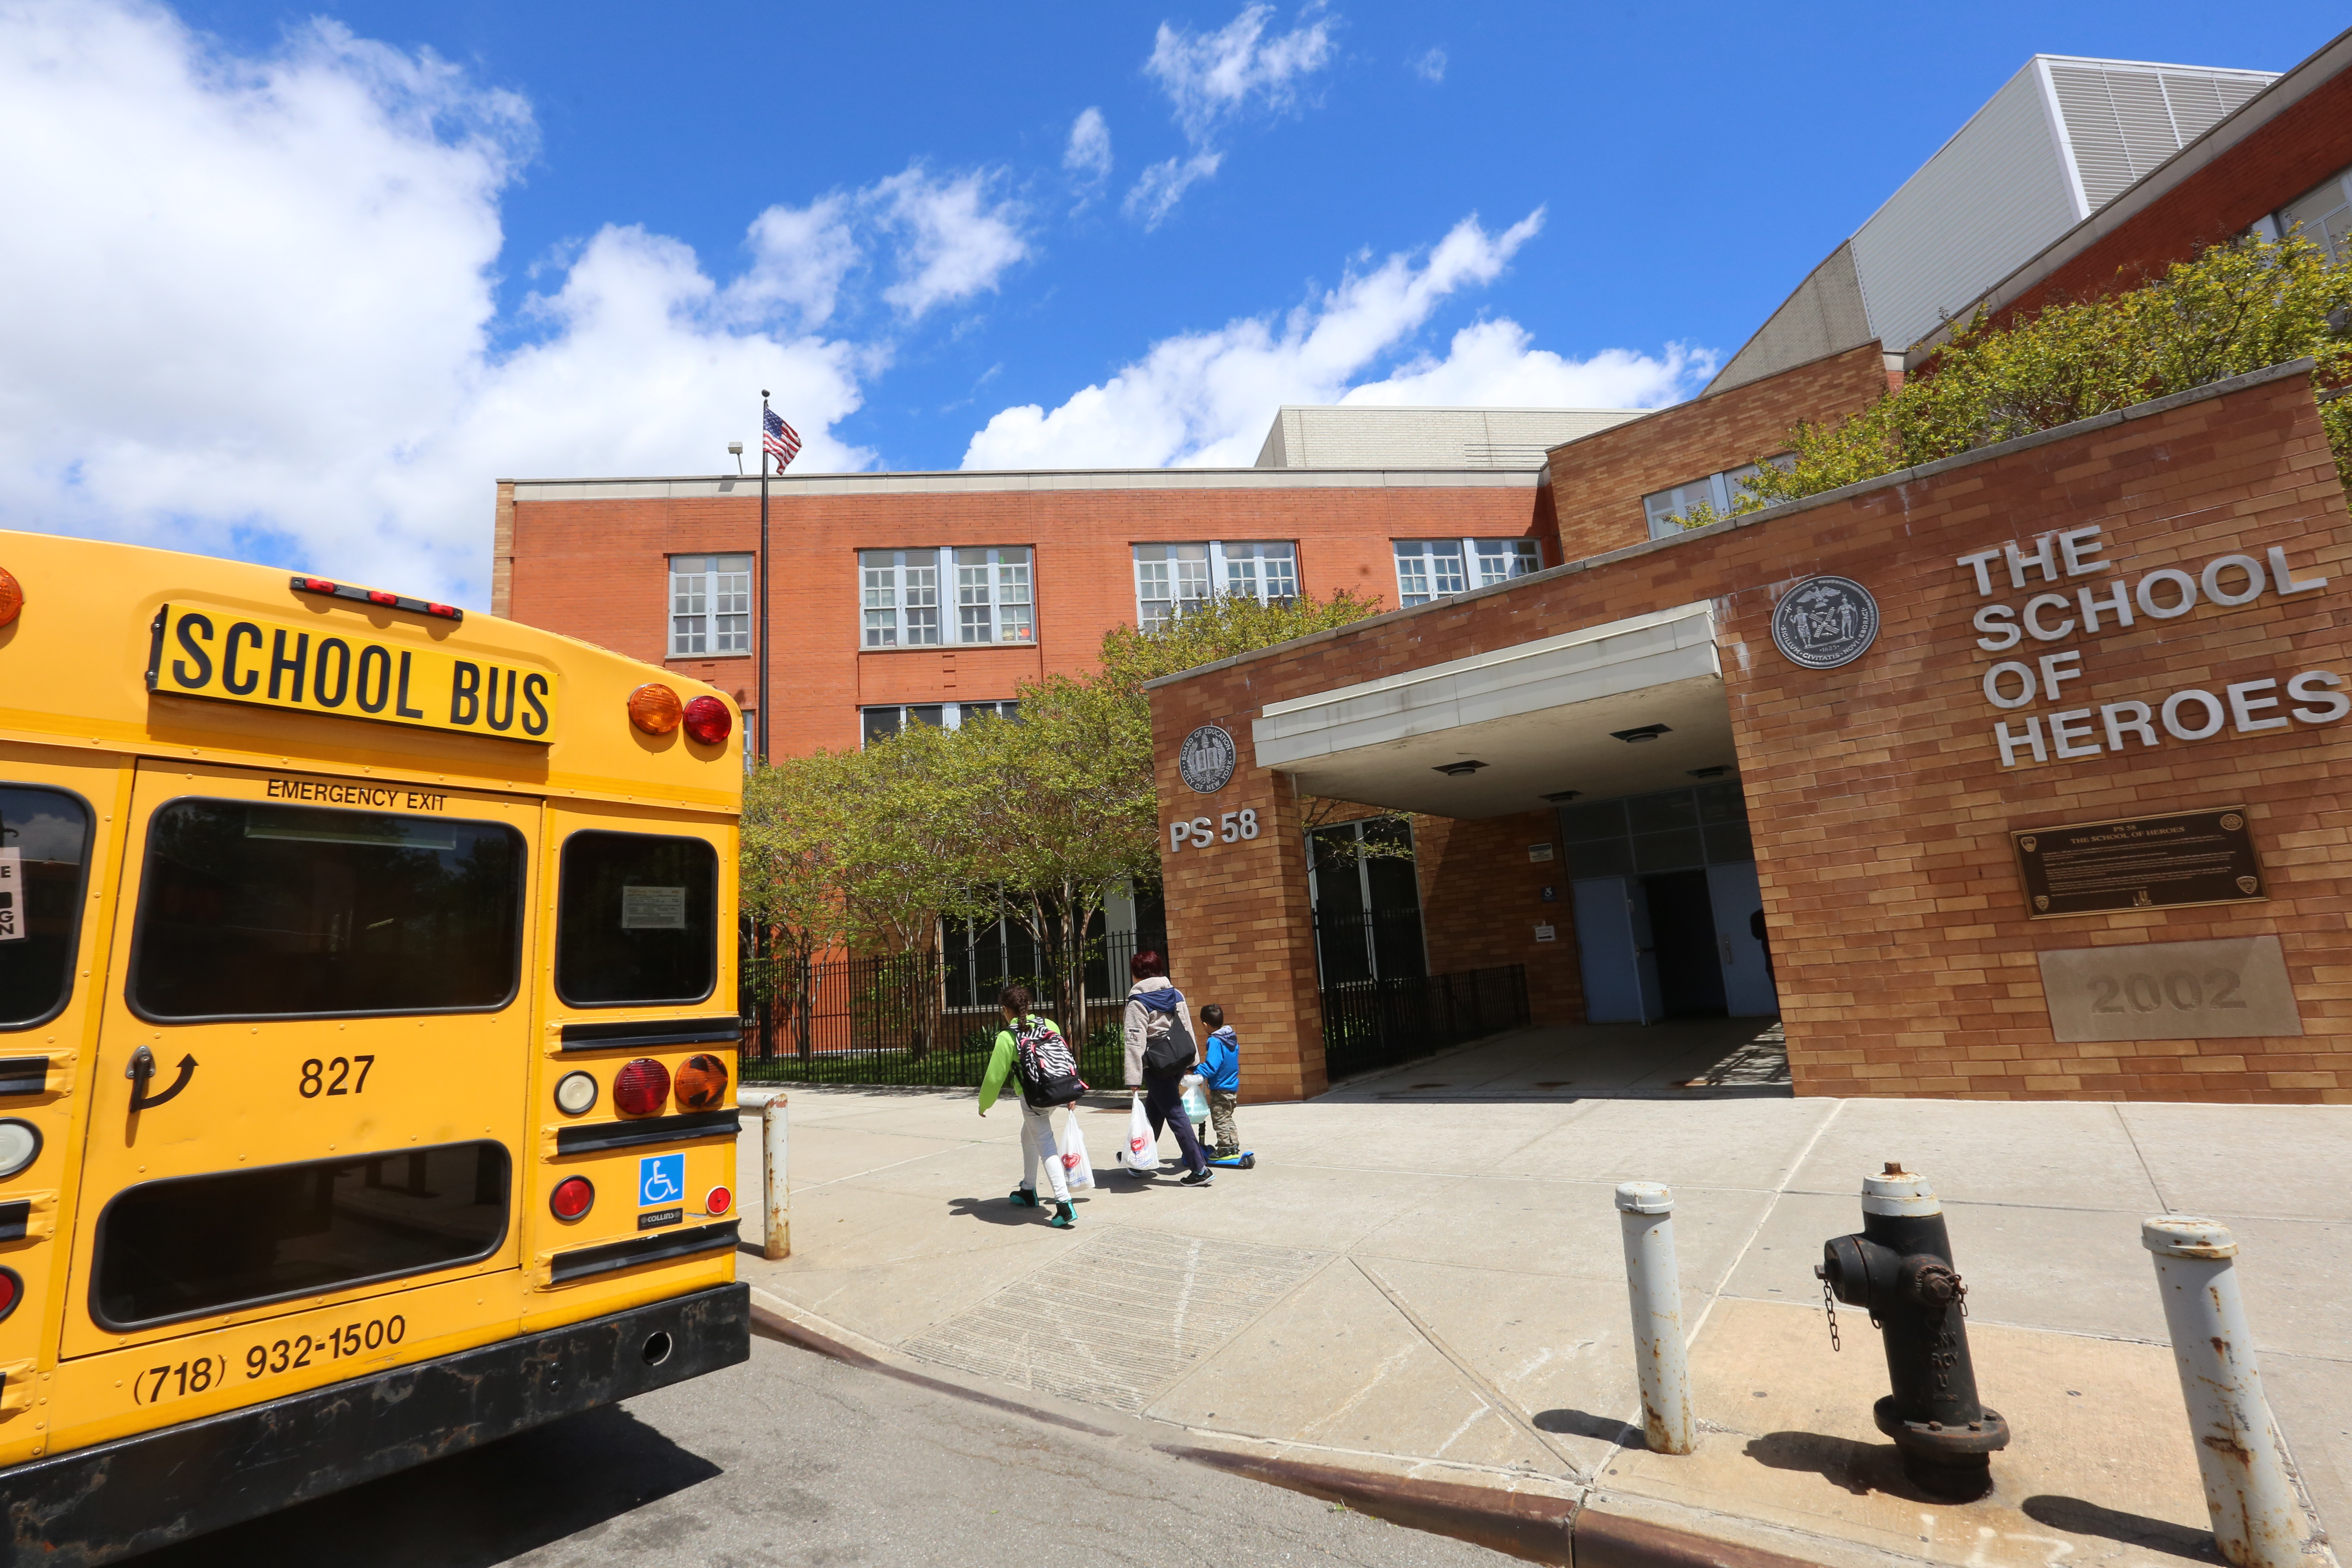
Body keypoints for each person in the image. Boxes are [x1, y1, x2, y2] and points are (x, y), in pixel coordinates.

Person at [978, 983, 1077, 1228]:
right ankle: (1028, 1190)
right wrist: (1070, 1092)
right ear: (1028, 1006)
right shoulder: (1049, 1025)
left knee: (1045, 1143)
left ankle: (1064, 1204)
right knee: (1028, 1135)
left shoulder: (1007, 1037)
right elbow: (1064, 1057)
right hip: (1057, 1093)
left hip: (1034, 1098)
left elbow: (994, 1077)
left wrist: (984, 1104)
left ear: (1005, 1010)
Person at [1122, 950, 1211, 1186]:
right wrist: (1193, 1062)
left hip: (1156, 1065)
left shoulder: (1138, 1002)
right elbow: (1187, 1028)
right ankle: (1138, 1158)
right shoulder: (1176, 994)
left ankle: (1199, 1167)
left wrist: (1133, 1079)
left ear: (1137, 974)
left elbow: (1134, 1042)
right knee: (1155, 1111)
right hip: (1178, 1061)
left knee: (1173, 1112)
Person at [1198, 1003, 1241, 1160]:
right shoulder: (1231, 1039)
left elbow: (1212, 1067)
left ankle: (1224, 1149)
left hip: (1220, 1088)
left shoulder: (1215, 1041)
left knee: (1219, 1119)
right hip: (1231, 1087)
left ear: (1205, 1025)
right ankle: (1233, 1147)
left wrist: (1196, 1071)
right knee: (1227, 1117)